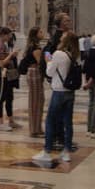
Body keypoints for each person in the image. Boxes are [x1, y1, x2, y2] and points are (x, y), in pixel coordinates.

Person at [32, 31, 80, 167]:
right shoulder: (75, 55)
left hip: (59, 91)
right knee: (67, 122)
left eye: (63, 38)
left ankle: (46, 151)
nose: (60, 39)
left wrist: (48, 61)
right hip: (70, 92)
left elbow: (49, 72)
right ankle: (66, 152)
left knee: (50, 121)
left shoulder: (59, 54)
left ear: (66, 41)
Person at [0, 26, 19, 131]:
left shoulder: (2, 45)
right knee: (1, 97)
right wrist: (12, 55)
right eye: (9, 36)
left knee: (8, 96)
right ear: (4, 35)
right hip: (1, 72)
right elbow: (1, 63)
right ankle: (0, 123)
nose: (9, 38)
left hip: (5, 72)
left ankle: (9, 121)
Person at [22, 26, 45, 136]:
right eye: (40, 32)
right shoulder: (35, 47)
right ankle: (34, 129)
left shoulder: (36, 46)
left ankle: (37, 128)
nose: (43, 33)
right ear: (36, 34)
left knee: (39, 101)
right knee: (35, 102)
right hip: (34, 73)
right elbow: (41, 62)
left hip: (34, 73)